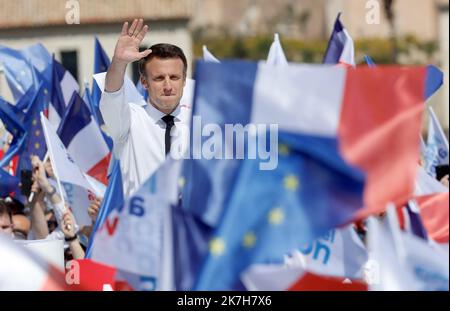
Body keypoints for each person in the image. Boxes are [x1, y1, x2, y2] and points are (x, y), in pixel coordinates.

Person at [100, 18, 191, 197]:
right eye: (159, 78)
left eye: (174, 77)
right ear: (144, 82)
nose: (167, 85)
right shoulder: (129, 120)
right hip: (141, 222)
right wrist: (118, 62)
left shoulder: (202, 122)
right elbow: (112, 95)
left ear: (184, 80)